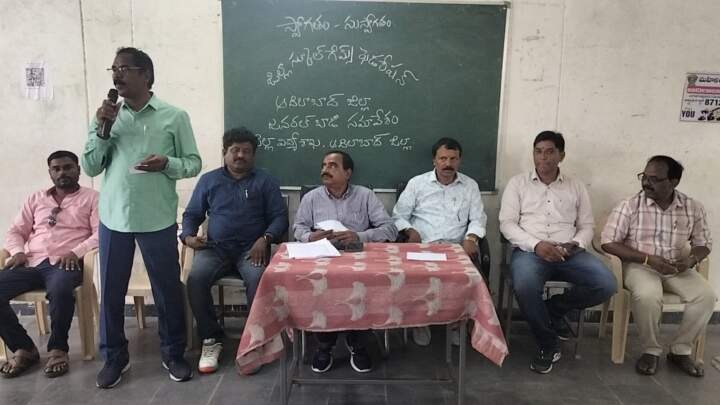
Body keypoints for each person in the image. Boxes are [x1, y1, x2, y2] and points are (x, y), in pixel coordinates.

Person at [81, 47, 201, 388]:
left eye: (124, 69)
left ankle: (173, 354)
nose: (117, 75)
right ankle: (114, 358)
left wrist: (167, 163)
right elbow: (90, 166)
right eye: (113, 69)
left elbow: (193, 162)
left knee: (167, 291)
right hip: (114, 218)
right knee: (111, 292)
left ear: (146, 74)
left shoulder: (174, 116)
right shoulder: (106, 116)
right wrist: (102, 129)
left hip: (156, 218)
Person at [499, 130, 616, 374]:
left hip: (569, 252)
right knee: (525, 285)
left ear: (561, 155)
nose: (543, 157)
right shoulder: (517, 183)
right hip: (531, 251)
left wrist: (576, 244)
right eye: (538, 152)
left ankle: (555, 308)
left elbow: (587, 225)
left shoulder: (576, 186)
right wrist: (536, 245)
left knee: (606, 284)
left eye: (550, 152)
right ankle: (547, 344)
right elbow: (507, 224)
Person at [181, 127, 288, 374]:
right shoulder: (209, 180)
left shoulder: (265, 181)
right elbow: (192, 214)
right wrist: (188, 237)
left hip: (252, 251)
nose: (240, 155)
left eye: (246, 151)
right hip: (215, 249)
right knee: (195, 279)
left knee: (258, 280)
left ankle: (254, 342)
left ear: (253, 155)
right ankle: (211, 338)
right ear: (224, 152)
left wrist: (265, 239)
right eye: (235, 150)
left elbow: (279, 217)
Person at [601, 155, 715, 377]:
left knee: (706, 296)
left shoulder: (692, 207)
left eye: (654, 179)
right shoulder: (630, 205)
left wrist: (690, 260)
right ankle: (651, 350)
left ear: (673, 182)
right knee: (648, 294)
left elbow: (704, 244)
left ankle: (680, 350)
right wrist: (647, 259)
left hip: (676, 267)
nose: (646, 183)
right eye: (644, 176)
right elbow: (608, 242)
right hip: (641, 265)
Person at [294, 150, 397, 373]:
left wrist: (359, 236)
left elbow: (390, 229)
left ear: (348, 173)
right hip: (323, 257)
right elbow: (298, 228)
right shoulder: (312, 197)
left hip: (358, 257)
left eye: (332, 166)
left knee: (363, 288)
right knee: (318, 287)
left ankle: (358, 343)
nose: (325, 170)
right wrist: (310, 237)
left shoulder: (365, 196)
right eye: (324, 165)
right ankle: (324, 344)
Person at [0, 151, 98, 379]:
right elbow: (16, 231)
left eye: (68, 167)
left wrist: (76, 252)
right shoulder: (36, 198)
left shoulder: (92, 198)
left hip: (65, 264)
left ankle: (58, 350)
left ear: (78, 170)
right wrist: (17, 252)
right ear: (50, 173)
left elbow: (100, 233)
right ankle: (24, 348)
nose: (62, 172)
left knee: (61, 290)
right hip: (31, 263)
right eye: (56, 169)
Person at [392, 137, 487, 346]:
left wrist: (471, 237)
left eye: (453, 159)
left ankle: (456, 324)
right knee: (414, 278)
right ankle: (420, 322)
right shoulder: (417, 184)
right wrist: (409, 230)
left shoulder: (470, 185)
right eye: (443, 158)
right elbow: (398, 215)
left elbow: (478, 218)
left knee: (467, 280)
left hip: (456, 248)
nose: (448, 164)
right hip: (422, 247)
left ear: (460, 160)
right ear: (434, 160)